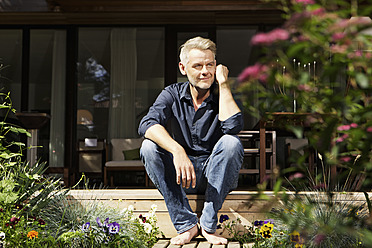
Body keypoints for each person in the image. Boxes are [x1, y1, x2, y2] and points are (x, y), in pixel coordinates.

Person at [138, 36, 244, 245]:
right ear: (183, 68)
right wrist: (178, 151)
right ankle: (187, 225)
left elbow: (233, 128)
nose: (205, 71)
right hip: (182, 175)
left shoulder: (224, 93)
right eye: (197, 65)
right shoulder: (172, 94)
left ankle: (207, 224)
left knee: (231, 142)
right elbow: (146, 124)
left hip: (217, 176)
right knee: (148, 147)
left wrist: (223, 83)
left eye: (210, 64)